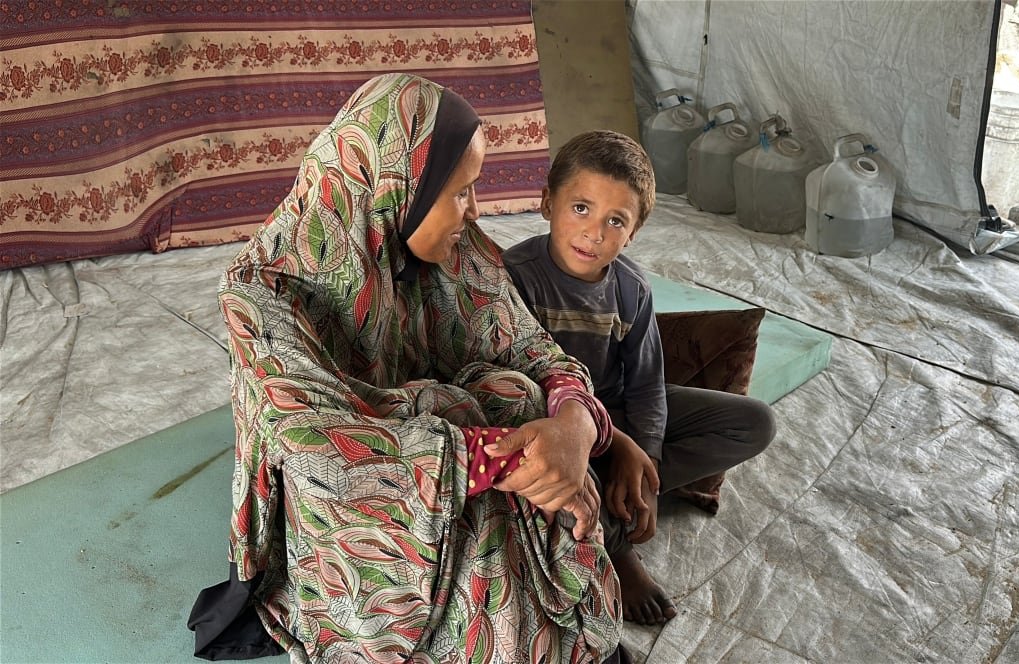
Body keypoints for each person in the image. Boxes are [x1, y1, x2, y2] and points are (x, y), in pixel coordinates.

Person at [188, 74, 627, 664]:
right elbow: (320, 448)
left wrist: (574, 425)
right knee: (482, 427)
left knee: (518, 393)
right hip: (359, 513)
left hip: (459, 460)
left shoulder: (455, 252)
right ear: (399, 185)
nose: (474, 211)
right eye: (461, 191)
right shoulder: (263, 291)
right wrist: (509, 456)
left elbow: (532, 349)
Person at [502, 130, 777, 626]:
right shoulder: (515, 275)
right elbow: (514, 382)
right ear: (546, 202)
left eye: (615, 221)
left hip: (615, 412)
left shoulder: (631, 289)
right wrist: (611, 441)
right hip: (553, 426)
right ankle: (618, 543)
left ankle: (626, 493)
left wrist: (646, 462)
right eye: (580, 208)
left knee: (754, 423)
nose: (595, 233)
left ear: (634, 233)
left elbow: (648, 385)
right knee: (563, 478)